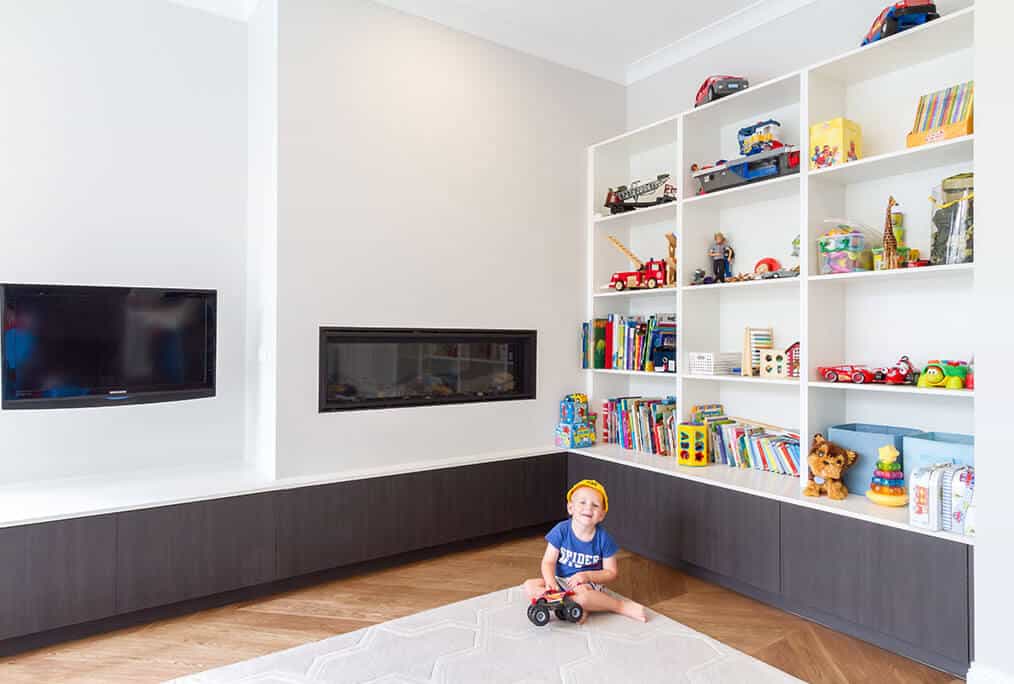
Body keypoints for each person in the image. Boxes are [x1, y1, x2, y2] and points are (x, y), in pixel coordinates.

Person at [522, 479, 646, 623]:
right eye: (582, 502)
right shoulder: (561, 530)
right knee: (530, 585)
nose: (588, 508)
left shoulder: (604, 539)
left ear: (602, 515)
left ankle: (619, 606)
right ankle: (571, 605)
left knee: (584, 597)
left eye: (595, 505)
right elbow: (548, 562)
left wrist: (586, 576)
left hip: (586, 584)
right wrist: (550, 582)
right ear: (570, 508)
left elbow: (611, 572)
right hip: (560, 581)